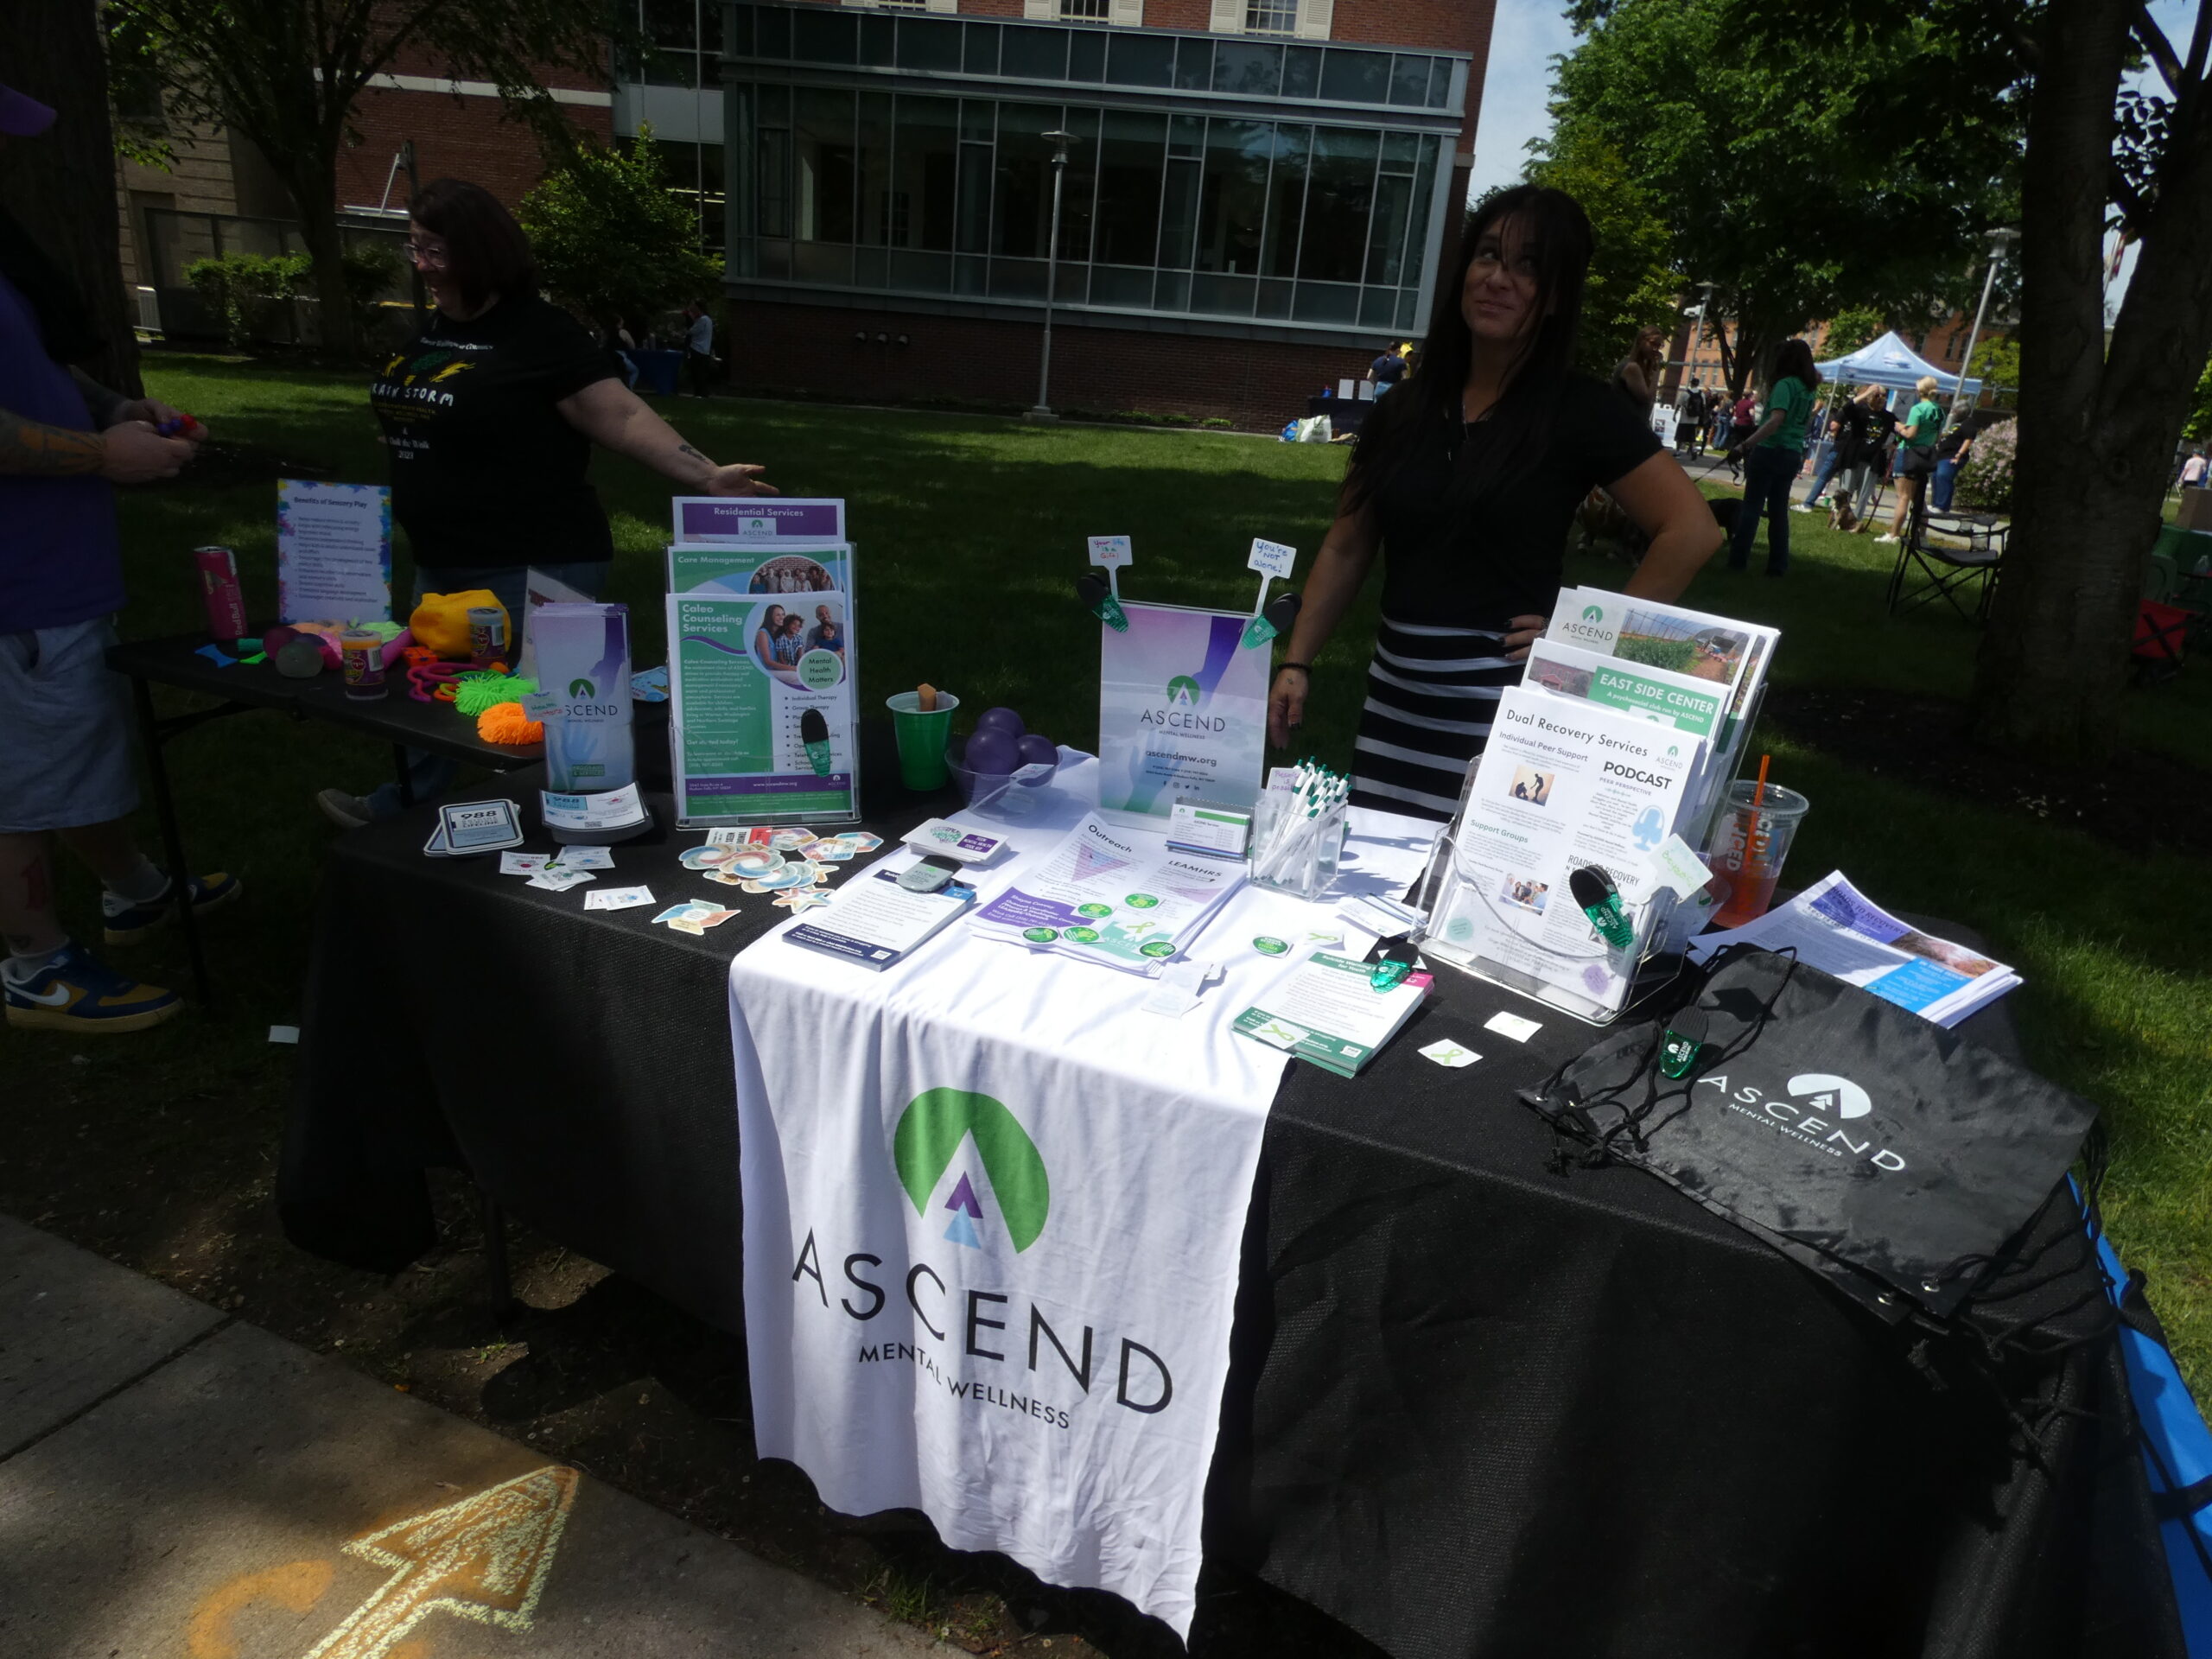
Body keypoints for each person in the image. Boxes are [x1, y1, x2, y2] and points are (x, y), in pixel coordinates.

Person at [319, 181, 775, 826]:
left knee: (548, 708)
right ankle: (411, 812)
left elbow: (619, 414)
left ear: (480, 252)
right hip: (442, 558)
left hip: (536, 559)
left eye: (435, 251)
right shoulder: (438, 328)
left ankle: (567, 824)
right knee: (437, 690)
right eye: (415, 247)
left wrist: (705, 477)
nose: (421, 265)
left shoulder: (540, 333)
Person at [1263, 185, 1721, 822]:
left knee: (1479, 875)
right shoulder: (1404, 409)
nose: (1498, 278)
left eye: (1527, 266)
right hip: (1394, 709)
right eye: (1487, 255)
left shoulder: (1579, 411)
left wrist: (1591, 642)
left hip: (1506, 720)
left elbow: (1692, 530)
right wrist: (1297, 662)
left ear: (1556, 296)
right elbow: (1347, 545)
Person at [0, 82, 240, 1036]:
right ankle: (35, 963)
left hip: (56, 570)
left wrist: (113, 409)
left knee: (74, 750)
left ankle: (136, 892)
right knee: (22, 779)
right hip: (18, 588)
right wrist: (101, 455)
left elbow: (32, 370)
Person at [1725, 339, 1821, 576]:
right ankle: (1778, 566)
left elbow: (1776, 420)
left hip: (1770, 449)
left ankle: (1737, 561)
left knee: (1752, 508)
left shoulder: (1784, 385)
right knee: (1779, 512)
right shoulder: (1807, 389)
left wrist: (1744, 446)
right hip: (1792, 452)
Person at [1877, 375, 1945, 543]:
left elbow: (1911, 434)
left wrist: (1900, 428)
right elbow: (1937, 437)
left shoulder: (1918, 409)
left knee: (1903, 497)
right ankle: (1921, 535)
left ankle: (1894, 534)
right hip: (1926, 455)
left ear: (1919, 390)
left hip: (1909, 453)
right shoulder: (1939, 411)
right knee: (1919, 498)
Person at [1611, 326, 1665, 416]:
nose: (1655, 349)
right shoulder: (1632, 367)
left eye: (1659, 346)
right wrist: (1657, 368)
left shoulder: (1641, 366)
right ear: (1641, 341)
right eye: (1653, 344)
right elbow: (1647, 398)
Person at [1931, 420, 1974, 512]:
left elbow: (1969, 439)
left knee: (1943, 476)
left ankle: (1942, 507)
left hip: (1953, 456)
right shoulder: (1951, 423)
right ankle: (1935, 504)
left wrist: (1959, 454)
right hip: (1941, 456)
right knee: (1935, 477)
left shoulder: (1967, 423)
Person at [683, 300, 716, 398]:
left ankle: (699, 393)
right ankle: (703, 393)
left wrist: (687, 330)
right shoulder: (708, 320)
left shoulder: (702, 320)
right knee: (701, 372)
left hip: (697, 348)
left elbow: (693, 331)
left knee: (697, 372)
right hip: (705, 349)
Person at [1723, 390, 1758, 479]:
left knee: (1737, 441)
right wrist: (1754, 421)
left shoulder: (1739, 402)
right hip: (1746, 424)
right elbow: (1751, 414)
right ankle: (1745, 461)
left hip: (1738, 423)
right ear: (1750, 395)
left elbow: (1736, 411)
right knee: (1747, 443)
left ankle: (1734, 458)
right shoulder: (1750, 403)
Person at [1675, 379, 1708, 458]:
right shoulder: (1701, 394)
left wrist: (1674, 414)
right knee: (1692, 437)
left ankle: (1677, 452)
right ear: (1698, 384)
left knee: (1680, 436)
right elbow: (1703, 406)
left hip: (1684, 419)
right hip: (1695, 420)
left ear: (1691, 384)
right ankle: (1694, 450)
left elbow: (1679, 405)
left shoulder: (1685, 393)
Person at [753, 603, 788, 670]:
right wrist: (792, 668)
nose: (782, 617)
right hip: (765, 670)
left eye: (783, 614)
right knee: (794, 674)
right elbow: (768, 661)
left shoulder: (781, 634)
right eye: (778, 615)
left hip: (775, 669)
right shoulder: (762, 633)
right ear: (770, 617)